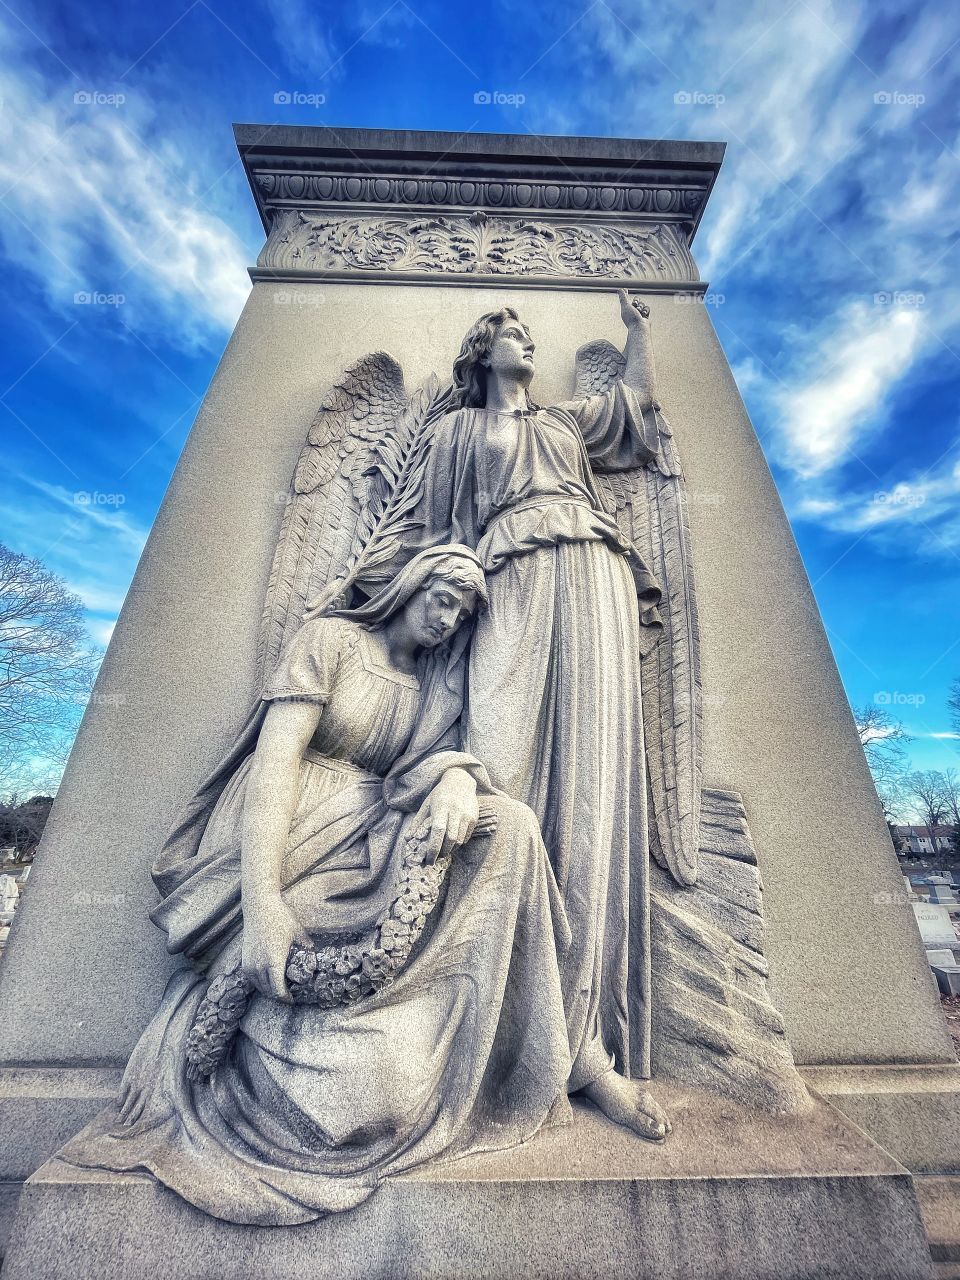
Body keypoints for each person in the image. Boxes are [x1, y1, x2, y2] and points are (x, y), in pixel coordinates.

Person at [58, 546, 573, 1226]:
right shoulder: (331, 640)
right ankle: (263, 1031)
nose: (449, 620)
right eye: (442, 599)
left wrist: (455, 776)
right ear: (411, 587)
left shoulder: (434, 687)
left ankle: (538, 1051)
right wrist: (265, 902)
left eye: (463, 612)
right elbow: (275, 766)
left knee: (507, 822)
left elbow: (411, 777)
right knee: (292, 969)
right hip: (294, 825)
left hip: (371, 830)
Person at [381, 291, 671, 1140]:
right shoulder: (455, 435)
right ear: (483, 349)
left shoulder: (563, 422)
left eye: (528, 331)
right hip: (506, 584)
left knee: (589, 796)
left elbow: (634, 407)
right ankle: (499, 1030)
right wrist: (376, 613)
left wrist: (639, 335)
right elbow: (431, 535)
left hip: (593, 574)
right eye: (511, 329)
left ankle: (585, 1050)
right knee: (498, 786)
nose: (526, 337)